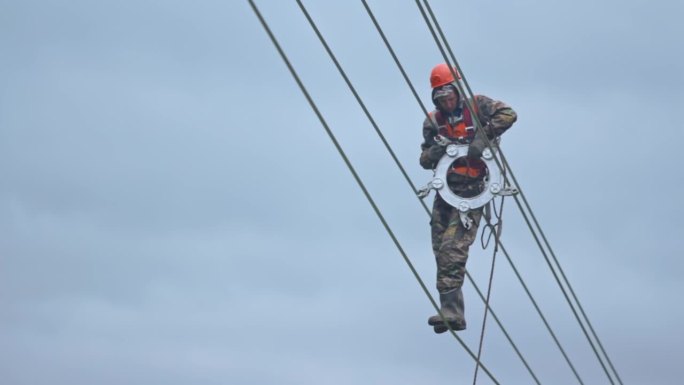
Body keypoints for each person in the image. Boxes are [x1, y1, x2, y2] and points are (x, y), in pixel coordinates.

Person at [419, 63, 517, 333]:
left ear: (458, 90)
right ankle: (451, 311)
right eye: (440, 96)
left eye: (449, 93)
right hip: (446, 192)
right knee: (441, 249)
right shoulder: (433, 122)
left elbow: (509, 114)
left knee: (453, 248)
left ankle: (451, 312)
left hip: (473, 190)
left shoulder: (478, 106)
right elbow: (424, 159)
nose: (446, 100)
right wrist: (438, 152)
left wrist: (483, 139)